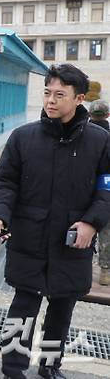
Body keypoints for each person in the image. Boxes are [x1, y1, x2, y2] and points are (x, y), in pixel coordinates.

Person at [0, 64, 110, 379]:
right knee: (23, 310)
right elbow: (5, 182)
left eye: (59, 94)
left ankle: (50, 366)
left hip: (72, 242)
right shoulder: (23, 137)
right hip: (29, 237)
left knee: (61, 310)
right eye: (47, 93)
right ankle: (13, 370)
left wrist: (91, 223)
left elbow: (106, 189)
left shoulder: (100, 141)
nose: (50, 101)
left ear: (79, 98)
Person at [87, 98, 110, 286]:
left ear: (89, 114)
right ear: (108, 115)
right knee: (106, 230)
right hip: (107, 189)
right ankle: (105, 271)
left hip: (84, 189)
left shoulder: (82, 134)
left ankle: (82, 266)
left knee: (82, 226)